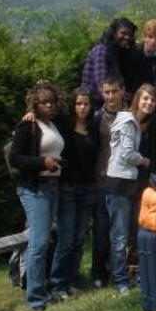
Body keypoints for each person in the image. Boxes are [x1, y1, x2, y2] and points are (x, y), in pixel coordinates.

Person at [9, 81, 66, 311]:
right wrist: (43, 162)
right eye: (44, 103)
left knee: (47, 240)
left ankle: (43, 288)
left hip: (53, 187)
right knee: (39, 242)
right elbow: (15, 158)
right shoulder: (27, 126)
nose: (49, 106)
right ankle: (35, 298)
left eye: (52, 102)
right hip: (35, 189)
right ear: (35, 104)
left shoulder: (53, 123)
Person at [103, 84, 156, 296]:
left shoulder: (135, 122)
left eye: (152, 100)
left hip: (129, 182)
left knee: (130, 233)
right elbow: (126, 154)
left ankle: (130, 276)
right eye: (145, 99)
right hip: (118, 183)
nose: (149, 103)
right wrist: (143, 161)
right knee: (120, 236)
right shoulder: (127, 121)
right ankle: (120, 280)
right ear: (137, 99)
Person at [52, 87, 99, 298]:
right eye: (79, 103)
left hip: (89, 187)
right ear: (73, 105)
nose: (82, 107)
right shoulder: (63, 124)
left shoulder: (93, 127)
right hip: (68, 188)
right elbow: (43, 112)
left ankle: (73, 279)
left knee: (79, 238)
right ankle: (58, 284)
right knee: (66, 238)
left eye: (86, 104)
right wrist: (30, 113)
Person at [91, 76, 126, 287]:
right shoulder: (96, 117)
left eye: (114, 91)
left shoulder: (130, 115)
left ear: (123, 90)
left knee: (121, 230)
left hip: (125, 180)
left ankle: (119, 270)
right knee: (102, 229)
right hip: (103, 179)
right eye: (107, 92)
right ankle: (98, 272)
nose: (111, 96)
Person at [81, 18, 137, 106]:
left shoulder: (120, 53)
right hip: (94, 103)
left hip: (110, 101)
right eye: (123, 33)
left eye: (130, 35)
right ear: (114, 34)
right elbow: (101, 83)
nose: (127, 37)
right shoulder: (101, 50)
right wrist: (119, 100)